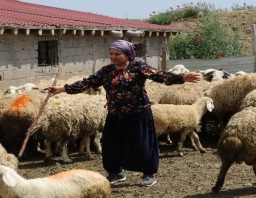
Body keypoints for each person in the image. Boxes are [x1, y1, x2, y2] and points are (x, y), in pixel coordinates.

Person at [48, 39, 202, 187]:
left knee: (142, 145)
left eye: (117, 54)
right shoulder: (107, 71)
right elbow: (87, 82)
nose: (113, 57)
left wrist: (181, 78)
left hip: (138, 113)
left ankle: (148, 173)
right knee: (110, 145)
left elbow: (159, 75)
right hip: (116, 114)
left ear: (127, 54)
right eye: (111, 54)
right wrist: (62, 89)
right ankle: (116, 172)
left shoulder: (137, 67)